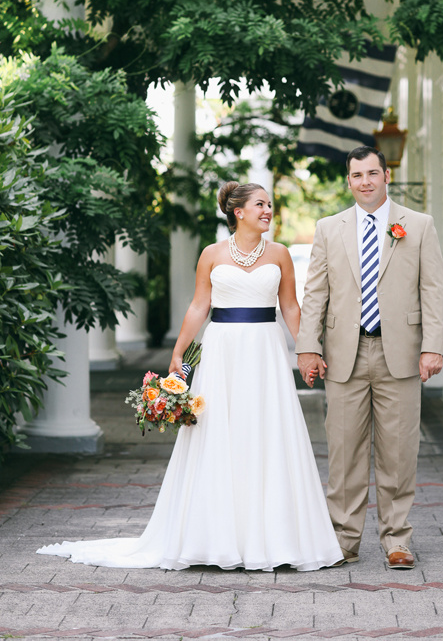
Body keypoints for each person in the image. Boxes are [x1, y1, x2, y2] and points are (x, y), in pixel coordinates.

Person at [37, 181, 343, 571]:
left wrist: (308, 349)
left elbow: (290, 307)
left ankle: (273, 537)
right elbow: (200, 305)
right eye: (261, 204)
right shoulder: (211, 254)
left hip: (265, 351)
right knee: (217, 434)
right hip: (221, 351)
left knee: (267, 430)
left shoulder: (280, 254)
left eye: (270, 204)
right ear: (239, 212)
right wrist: (179, 350)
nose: (268, 210)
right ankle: (213, 537)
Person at [296, 146, 443, 570]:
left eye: (373, 173)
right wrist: (309, 347)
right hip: (344, 353)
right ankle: (344, 539)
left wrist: (432, 345)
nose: (365, 181)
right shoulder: (329, 228)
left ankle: (397, 540)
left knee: (398, 451)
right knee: (344, 453)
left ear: (386, 176)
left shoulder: (417, 225)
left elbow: (433, 289)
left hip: (400, 352)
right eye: (357, 175)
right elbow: (316, 292)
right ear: (348, 181)